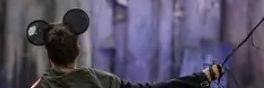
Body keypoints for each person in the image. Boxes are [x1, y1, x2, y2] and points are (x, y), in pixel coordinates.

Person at [31, 24, 224, 88]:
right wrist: (202, 77)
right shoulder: (103, 81)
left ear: (48, 55)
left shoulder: (40, 86)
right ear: (78, 51)